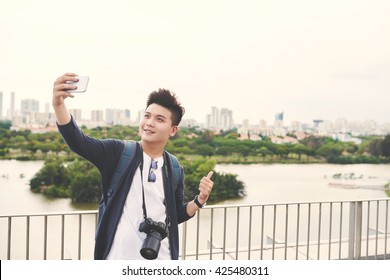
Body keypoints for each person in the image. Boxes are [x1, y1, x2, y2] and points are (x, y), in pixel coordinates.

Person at [52, 73, 214, 260]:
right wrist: (58, 105)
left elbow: (175, 215)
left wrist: (200, 200)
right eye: (147, 116)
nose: (149, 123)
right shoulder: (119, 152)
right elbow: (79, 142)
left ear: (173, 130)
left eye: (159, 119)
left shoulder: (174, 167)